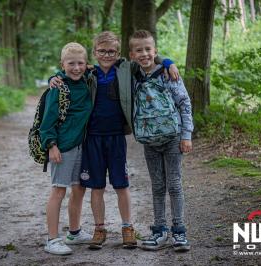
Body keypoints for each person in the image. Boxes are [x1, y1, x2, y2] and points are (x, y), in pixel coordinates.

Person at [49, 31, 180, 250]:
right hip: (92, 138)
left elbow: (146, 57)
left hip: (117, 137)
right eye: (102, 51)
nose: (107, 55)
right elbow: (67, 72)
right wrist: (53, 76)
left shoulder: (127, 69)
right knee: (96, 187)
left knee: (122, 184)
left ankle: (127, 228)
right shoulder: (88, 74)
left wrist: (168, 62)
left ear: (119, 53)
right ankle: (99, 229)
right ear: (95, 53)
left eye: (111, 51)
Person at [128, 30, 194, 252]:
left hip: (173, 137)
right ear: (132, 54)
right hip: (149, 140)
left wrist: (186, 135)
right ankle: (160, 231)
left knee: (174, 184)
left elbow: (184, 104)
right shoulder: (132, 75)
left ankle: (179, 232)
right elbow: (107, 66)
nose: (144, 53)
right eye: (139, 50)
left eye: (148, 49)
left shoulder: (168, 73)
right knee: (157, 186)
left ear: (155, 51)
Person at [39, 42, 92, 255]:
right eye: (71, 64)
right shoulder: (57, 86)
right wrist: (51, 145)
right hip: (62, 146)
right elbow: (47, 120)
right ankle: (52, 239)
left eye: (81, 63)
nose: (76, 68)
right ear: (62, 64)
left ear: (87, 64)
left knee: (79, 189)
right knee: (59, 190)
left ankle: (75, 232)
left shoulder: (89, 80)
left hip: (83, 145)